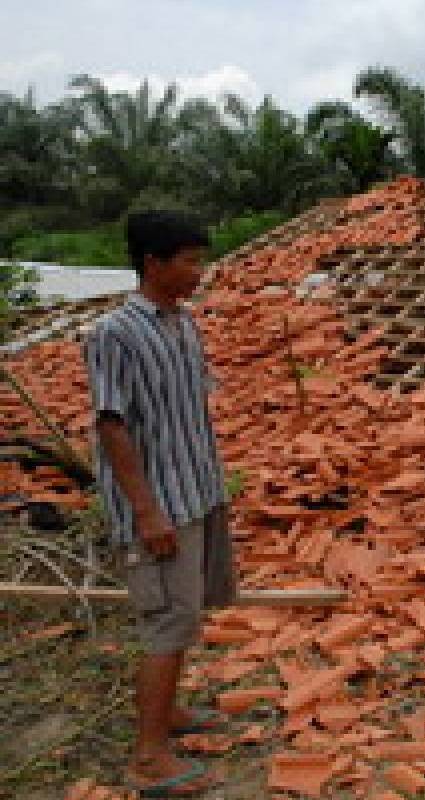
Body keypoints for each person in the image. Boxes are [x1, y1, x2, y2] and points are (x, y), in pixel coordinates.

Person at [84, 210, 234, 797]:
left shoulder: (183, 325)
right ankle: (148, 757)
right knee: (167, 624)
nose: (199, 272)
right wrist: (146, 510)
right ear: (153, 263)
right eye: (190, 261)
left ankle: (168, 716)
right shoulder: (113, 333)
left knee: (187, 614)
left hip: (198, 491)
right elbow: (111, 424)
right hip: (162, 503)